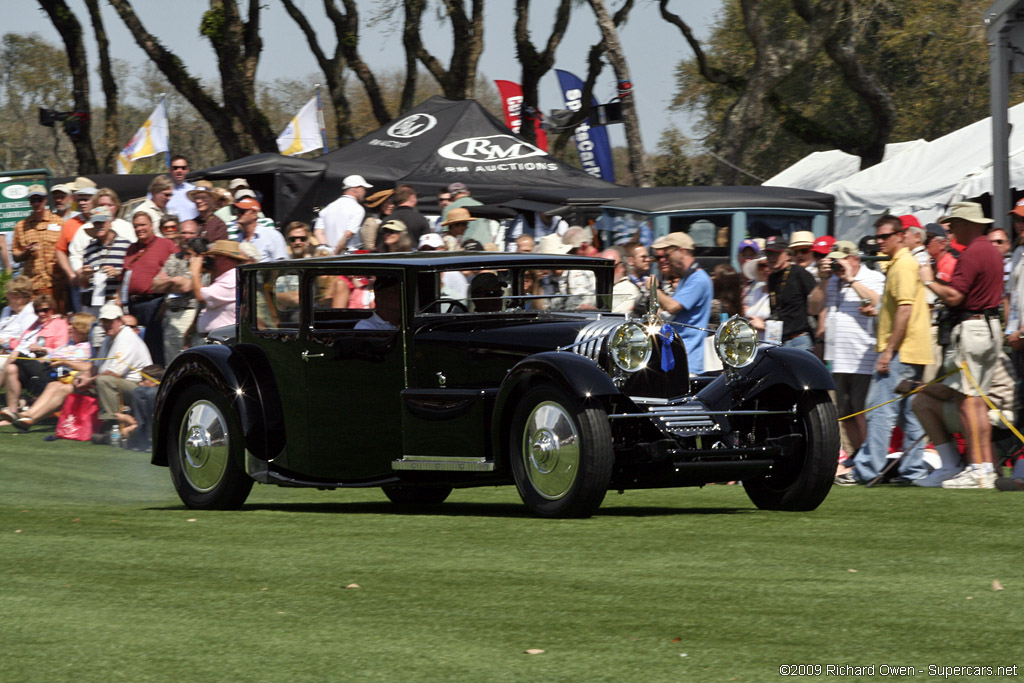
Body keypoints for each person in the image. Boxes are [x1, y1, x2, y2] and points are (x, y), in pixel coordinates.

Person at [837, 216, 932, 486]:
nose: (880, 242)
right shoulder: (900, 265)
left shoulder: (902, 266)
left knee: (879, 409)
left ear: (900, 236)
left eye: (885, 237)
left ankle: (867, 469)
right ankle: (913, 471)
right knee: (909, 413)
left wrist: (889, 350)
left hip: (901, 350)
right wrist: (877, 310)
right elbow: (901, 307)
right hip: (913, 350)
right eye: (877, 237)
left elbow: (905, 309)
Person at [920, 202, 1005, 488]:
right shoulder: (992, 250)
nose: (951, 230)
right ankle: (985, 469)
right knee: (977, 401)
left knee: (967, 402)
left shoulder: (972, 253)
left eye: (954, 224)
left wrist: (929, 282)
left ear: (967, 223)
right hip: (991, 328)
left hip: (973, 328)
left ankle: (977, 469)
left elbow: (955, 296)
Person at [816, 240, 884, 457]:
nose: (838, 265)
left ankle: (869, 458)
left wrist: (851, 280)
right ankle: (857, 456)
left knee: (861, 411)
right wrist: (824, 279)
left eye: (841, 260)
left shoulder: (873, 277)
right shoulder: (832, 281)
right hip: (838, 358)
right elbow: (814, 306)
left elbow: (877, 302)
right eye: (834, 261)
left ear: (854, 259)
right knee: (844, 413)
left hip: (863, 356)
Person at [73, 302, 153, 444]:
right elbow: (96, 366)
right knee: (69, 382)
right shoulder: (109, 338)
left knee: (103, 380)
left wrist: (89, 381)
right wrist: (83, 377)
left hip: (140, 387)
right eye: (104, 321)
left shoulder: (126, 338)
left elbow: (113, 374)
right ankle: (29, 417)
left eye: (110, 321)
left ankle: (112, 426)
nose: (106, 324)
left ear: (119, 321)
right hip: (117, 384)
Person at [2, 312, 95, 431]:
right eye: (70, 325)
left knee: (18, 355)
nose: (69, 328)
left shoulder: (85, 347)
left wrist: (64, 362)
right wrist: (44, 356)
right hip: (49, 373)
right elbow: (54, 355)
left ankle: (24, 412)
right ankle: (22, 415)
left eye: (73, 326)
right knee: (12, 368)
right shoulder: (69, 344)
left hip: (57, 375)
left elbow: (88, 366)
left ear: (82, 330)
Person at [649, 232, 713, 373]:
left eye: (668, 255)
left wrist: (653, 288)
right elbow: (670, 314)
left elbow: (672, 307)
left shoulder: (698, 279)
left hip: (688, 360)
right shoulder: (686, 279)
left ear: (681, 251)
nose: (666, 260)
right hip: (675, 357)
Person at [122, 212, 179, 366]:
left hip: (155, 303)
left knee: (154, 346)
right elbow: (124, 277)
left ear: (151, 226)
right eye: (136, 226)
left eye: (142, 225)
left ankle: (158, 380)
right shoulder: (131, 249)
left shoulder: (166, 245)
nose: (139, 229)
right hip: (133, 305)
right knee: (136, 347)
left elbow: (179, 269)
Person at [1, 293, 69, 420]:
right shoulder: (33, 326)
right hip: (29, 366)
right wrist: (6, 343)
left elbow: (62, 350)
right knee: (11, 368)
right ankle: (12, 412)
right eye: (38, 311)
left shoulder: (59, 324)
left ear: (52, 309)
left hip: (48, 368)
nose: (41, 314)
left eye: (45, 310)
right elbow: (20, 342)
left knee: (17, 354)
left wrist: (43, 349)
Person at [762, 235, 823, 350]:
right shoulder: (771, 278)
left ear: (787, 255)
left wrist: (820, 339)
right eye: (769, 254)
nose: (772, 258)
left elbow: (819, 306)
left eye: (776, 254)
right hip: (777, 340)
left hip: (799, 340)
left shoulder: (800, 273)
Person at [152, 219, 201, 361]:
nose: (186, 236)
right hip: (171, 314)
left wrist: (168, 280)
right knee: (171, 362)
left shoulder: (200, 258)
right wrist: (174, 281)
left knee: (187, 360)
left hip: (189, 313)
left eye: (191, 233)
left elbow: (186, 286)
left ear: (197, 234)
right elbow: (155, 285)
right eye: (183, 232)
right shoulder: (174, 257)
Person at [12, 184, 65, 309]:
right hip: (33, 285)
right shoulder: (21, 226)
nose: (36, 203)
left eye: (39, 199)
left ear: (46, 200)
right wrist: (26, 252)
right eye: (33, 200)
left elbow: (66, 250)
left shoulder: (59, 222)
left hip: (56, 283)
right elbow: (15, 256)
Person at [74, 205, 132, 320]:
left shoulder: (126, 245)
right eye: (96, 223)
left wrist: (117, 273)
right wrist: (85, 276)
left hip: (115, 301)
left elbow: (132, 275)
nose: (99, 226)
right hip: (95, 304)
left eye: (102, 222)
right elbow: (84, 284)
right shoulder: (89, 249)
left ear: (109, 222)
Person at [190, 240, 248, 338]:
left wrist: (195, 273)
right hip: (216, 336)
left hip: (223, 338)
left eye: (215, 257)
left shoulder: (232, 278)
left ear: (225, 259)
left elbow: (202, 297)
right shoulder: (226, 277)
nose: (212, 260)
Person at [314, 174, 372, 254]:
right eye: (364, 188)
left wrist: (327, 251)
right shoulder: (357, 209)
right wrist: (335, 254)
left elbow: (318, 232)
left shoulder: (328, 208)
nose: (365, 192)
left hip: (330, 256)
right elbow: (347, 235)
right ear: (356, 188)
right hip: (347, 255)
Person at [234, 197, 287, 262]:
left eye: (242, 212)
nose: (238, 214)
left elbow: (282, 264)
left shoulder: (272, 236)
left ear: (254, 214)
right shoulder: (238, 238)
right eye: (237, 211)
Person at [0, 276, 37, 353]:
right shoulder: (6, 310)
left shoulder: (30, 313)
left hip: (11, 351)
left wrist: (5, 342)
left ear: (24, 298)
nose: (7, 296)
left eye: (12, 294)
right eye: (8, 293)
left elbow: (26, 339)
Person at [600, 246, 640, 314]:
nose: (605, 271)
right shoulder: (598, 287)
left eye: (610, 266)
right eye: (601, 266)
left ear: (622, 267)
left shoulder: (629, 290)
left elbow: (617, 315)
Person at [166, 155, 199, 221]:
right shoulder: (162, 191)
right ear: (170, 170)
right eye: (175, 168)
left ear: (187, 170)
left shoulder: (194, 191)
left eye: (183, 168)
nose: (179, 171)